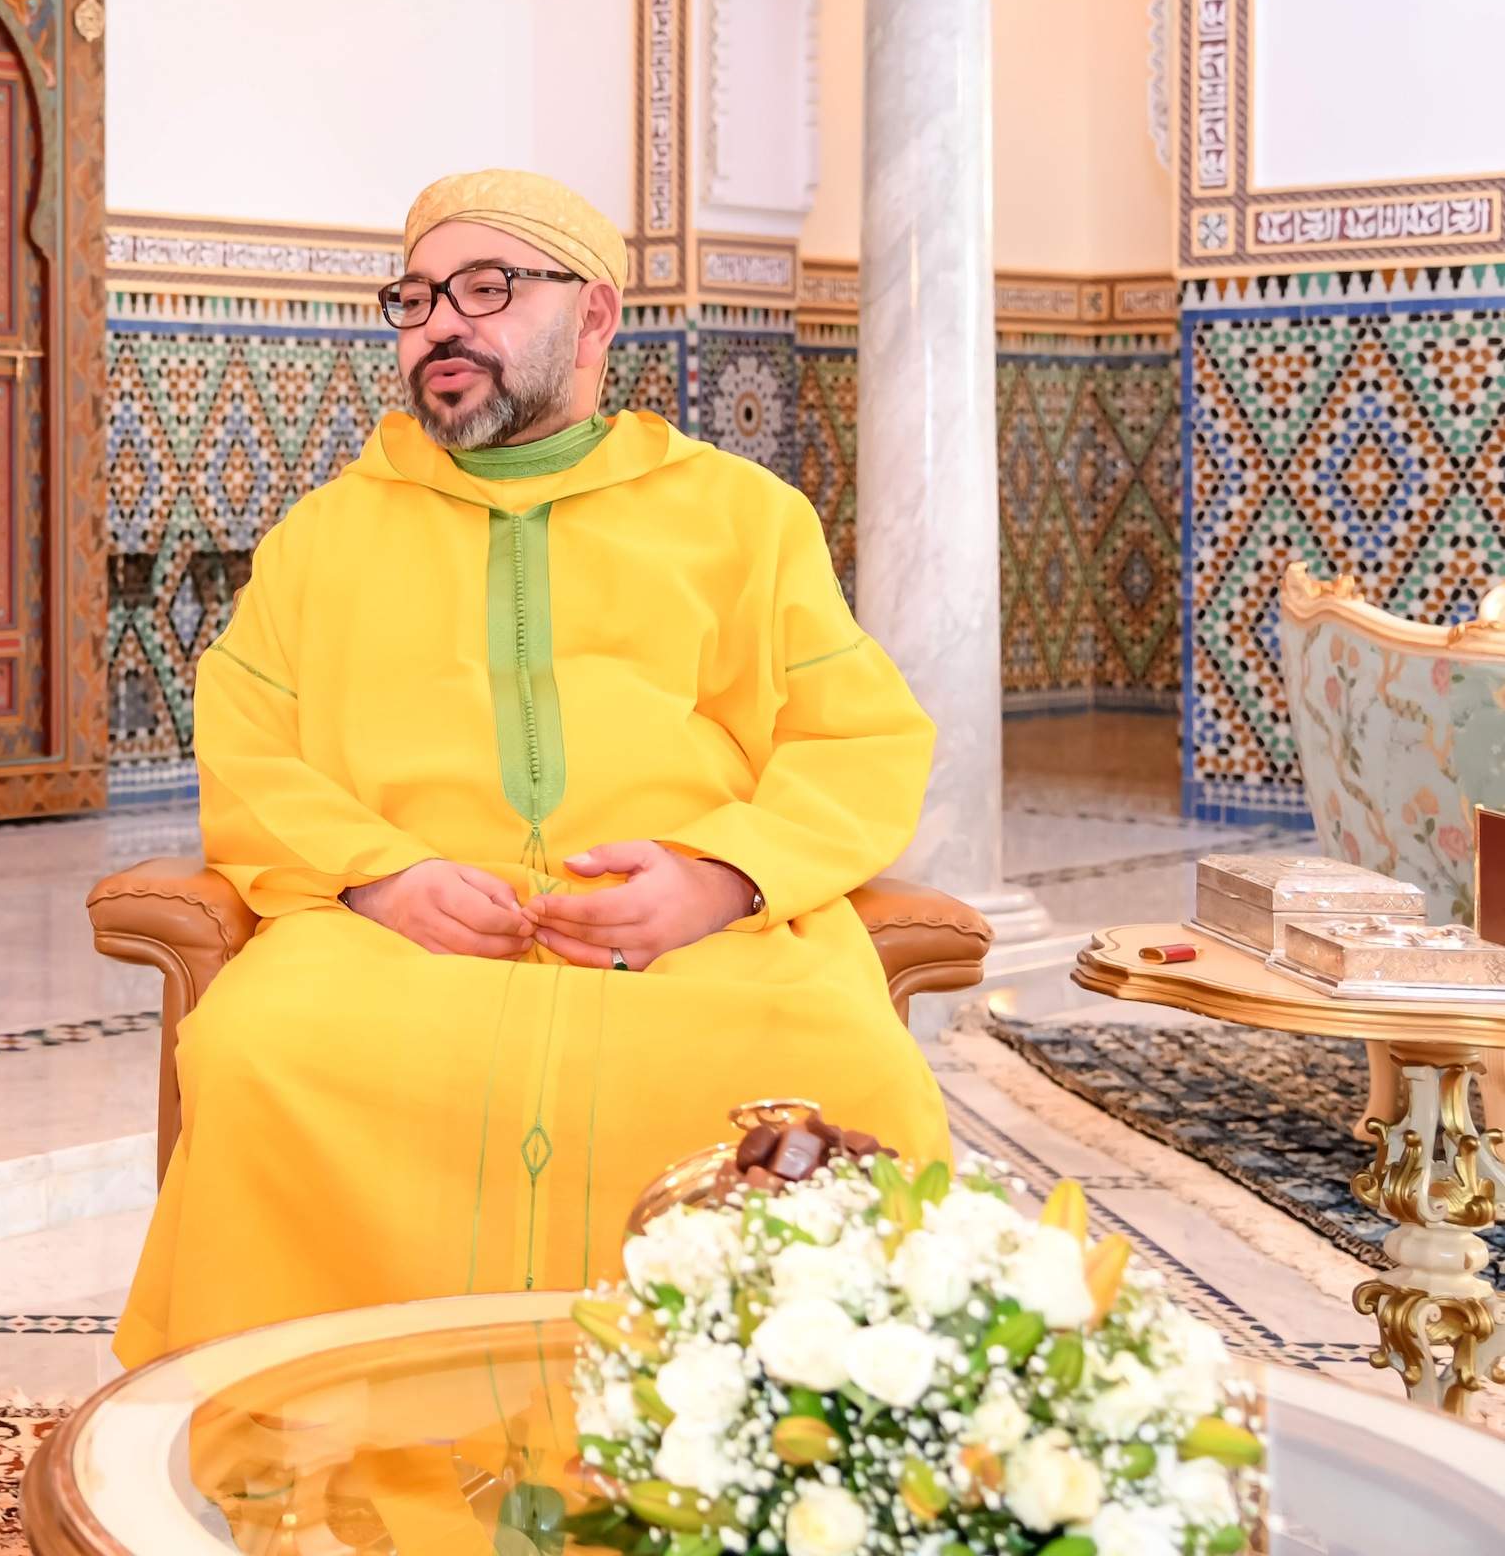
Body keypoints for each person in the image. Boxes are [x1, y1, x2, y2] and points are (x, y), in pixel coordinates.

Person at [116, 168, 950, 1366]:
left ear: (595, 313)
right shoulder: (325, 537)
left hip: (695, 940)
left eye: (487, 288)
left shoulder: (742, 518)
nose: (440, 324)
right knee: (263, 1051)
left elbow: (858, 736)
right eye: (416, 298)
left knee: (847, 1067)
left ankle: (767, 1437)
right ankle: (306, 1440)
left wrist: (720, 875)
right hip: (392, 940)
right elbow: (248, 746)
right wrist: (381, 875)